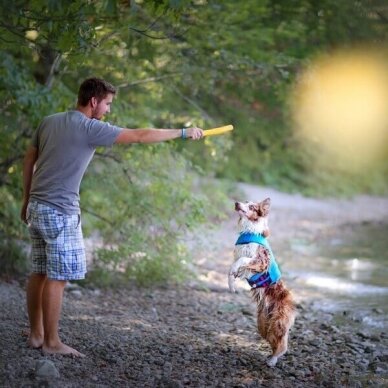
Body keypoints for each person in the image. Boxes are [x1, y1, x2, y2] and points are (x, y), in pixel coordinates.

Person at [21, 77, 203, 357]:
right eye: (106, 104)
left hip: (37, 206)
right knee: (57, 278)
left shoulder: (50, 121)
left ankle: (36, 335)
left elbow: (29, 158)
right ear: (93, 101)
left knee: (40, 272)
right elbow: (141, 136)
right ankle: (52, 342)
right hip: (60, 211)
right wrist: (183, 133)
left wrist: (26, 198)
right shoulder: (90, 128)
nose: (107, 109)